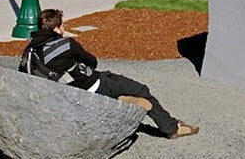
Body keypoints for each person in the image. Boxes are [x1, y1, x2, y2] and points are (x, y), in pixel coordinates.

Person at [20, 8, 198, 139]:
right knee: (142, 89)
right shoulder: (65, 44)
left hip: (66, 93)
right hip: (95, 84)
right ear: (57, 28)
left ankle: (118, 100)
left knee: (117, 85)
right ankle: (172, 128)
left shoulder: (30, 51)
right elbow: (92, 61)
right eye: (63, 25)